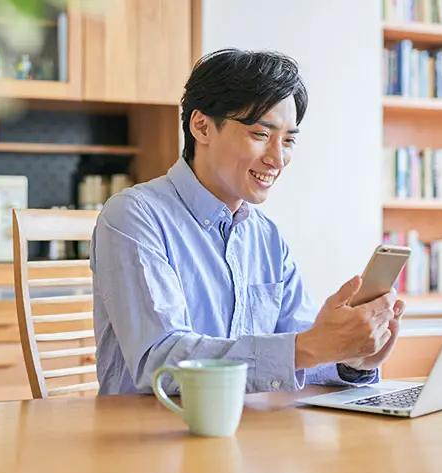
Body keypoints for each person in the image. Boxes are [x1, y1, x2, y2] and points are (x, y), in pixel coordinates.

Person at [89, 48, 405, 395]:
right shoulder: (134, 217)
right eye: (261, 135)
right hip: (148, 438)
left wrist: (351, 357)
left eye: (288, 140)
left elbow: (303, 349)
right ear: (202, 126)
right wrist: (312, 346)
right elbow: (161, 361)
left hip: (248, 436)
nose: (278, 158)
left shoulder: (265, 235)